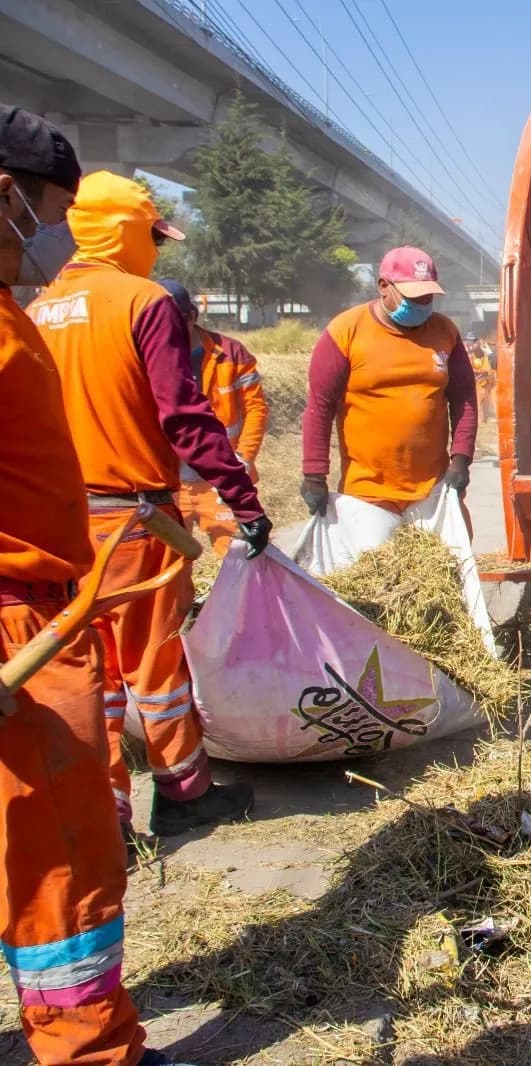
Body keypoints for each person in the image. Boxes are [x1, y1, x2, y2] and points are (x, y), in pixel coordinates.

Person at [0, 104, 191, 1066]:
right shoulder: (27, 322)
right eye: (45, 210)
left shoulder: (20, 314)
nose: (52, 237)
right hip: (19, 631)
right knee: (60, 856)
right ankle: (87, 1051)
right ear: (7, 196)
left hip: (52, 596)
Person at [28, 170, 265, 839]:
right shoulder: (144, 302)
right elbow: (184, 418)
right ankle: (187, 792)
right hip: (137, 522)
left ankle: (108, 818)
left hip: (63, 524)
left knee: (90, 674)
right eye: (154, 237)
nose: (158, 252)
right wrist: (243, 500)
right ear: (129, 232)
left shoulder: (39, 306)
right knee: (157, 665)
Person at [300, 246, 478, 518]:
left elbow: (464, 399)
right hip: (367, 495)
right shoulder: (345, 332)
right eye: (414, 296)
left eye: (428, 295)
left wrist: (461, 459)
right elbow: (320, 407)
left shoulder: (446, 332)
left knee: (448, 559)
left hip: (434, 490)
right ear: (384, 286)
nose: (422, 304)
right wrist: (314, 475)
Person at [159, 280, 270, 555]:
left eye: (171, 325)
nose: (163, 335)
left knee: (236, 557)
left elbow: (255, 408)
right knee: (167, 564)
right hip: (169, 483)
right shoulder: (148, 358)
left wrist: (243, 459)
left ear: (191, 316)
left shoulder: (232, 354)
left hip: (221, 481)